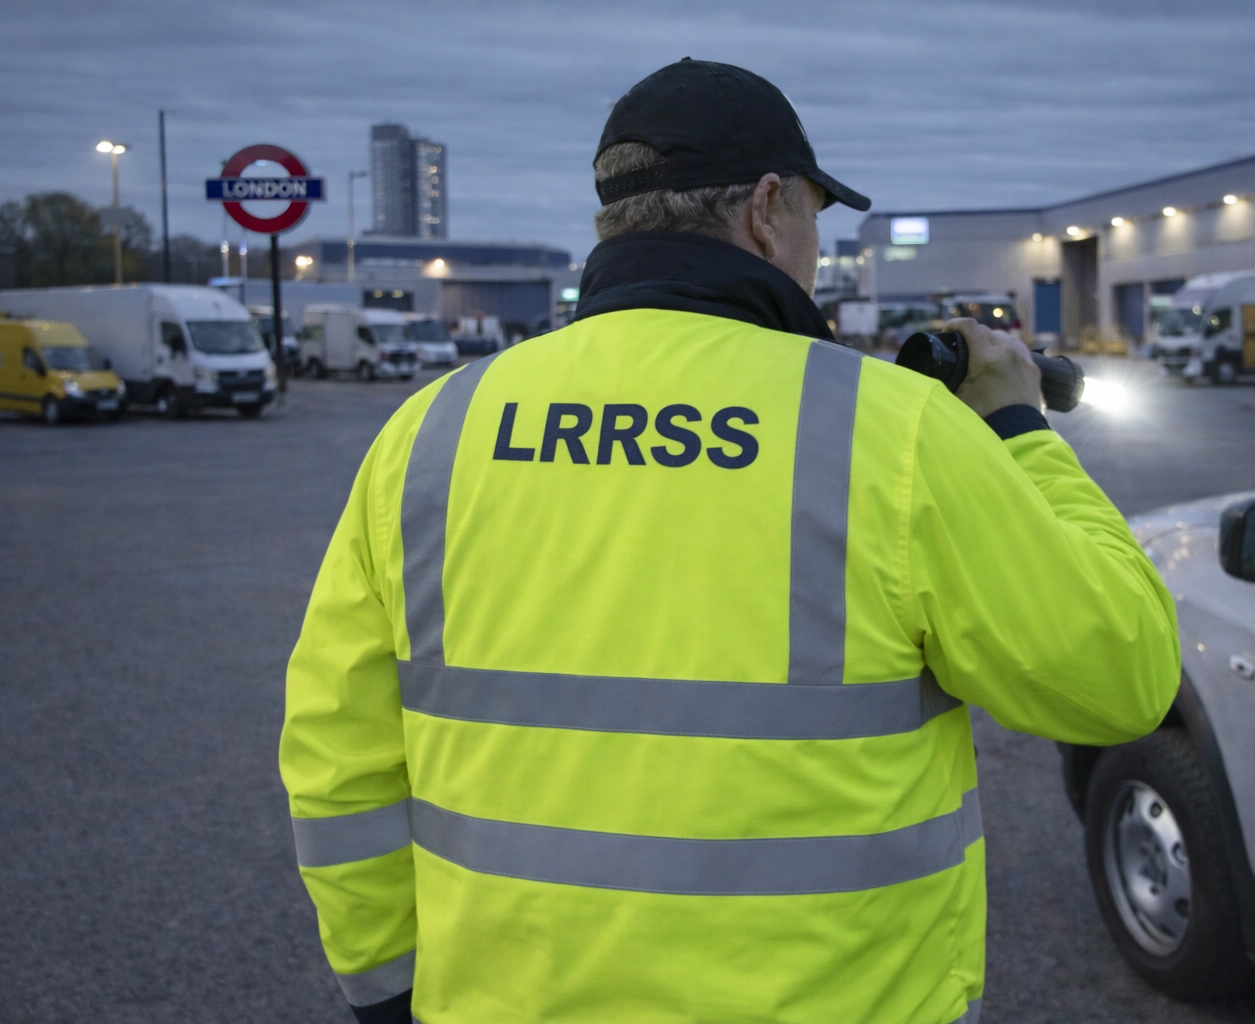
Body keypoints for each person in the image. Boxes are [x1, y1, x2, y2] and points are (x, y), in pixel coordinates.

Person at [280, 58, 1180, 1024]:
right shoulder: (894, 431)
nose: (816, 252)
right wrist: (1017, 432)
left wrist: (388, 993)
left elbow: (339, 753)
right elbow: (1115, 679)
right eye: (814, 219)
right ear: (765, 209)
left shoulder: (432, 431)